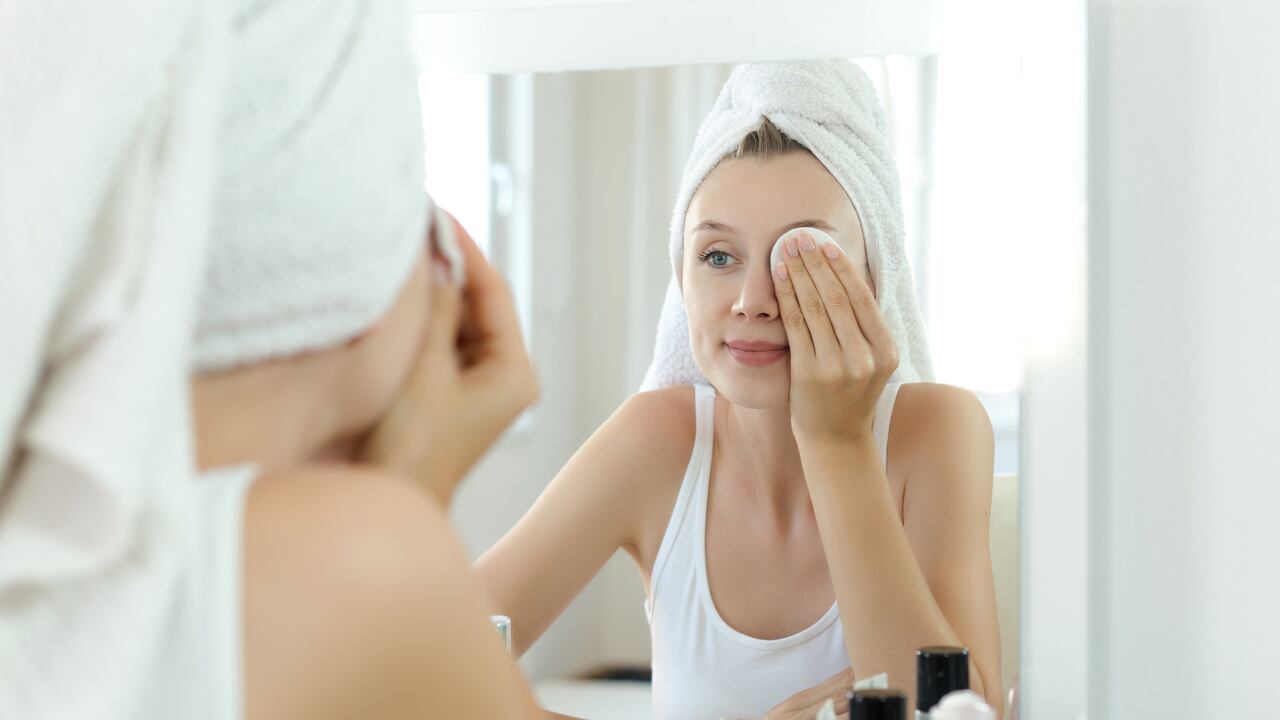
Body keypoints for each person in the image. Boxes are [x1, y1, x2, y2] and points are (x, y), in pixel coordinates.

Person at [476, 60, 1003, 718]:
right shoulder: (655, 442)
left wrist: (836, 442)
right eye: (718, 256)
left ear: (872, 281)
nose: (753, 301)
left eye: (802, 257)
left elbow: (960, 714)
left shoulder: (938, 432)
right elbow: (415, 668)